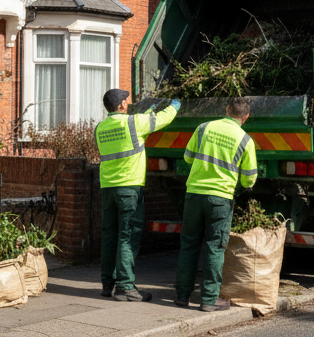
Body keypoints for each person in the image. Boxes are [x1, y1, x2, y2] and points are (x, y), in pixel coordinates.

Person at [95, 88, 179, 302]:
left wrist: (147, 113)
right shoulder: (133, 123)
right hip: (129, 188)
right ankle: (125, 286)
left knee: (110, 236)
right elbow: (162, 119)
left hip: (108, 188)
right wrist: (174, 106)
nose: (129, 103)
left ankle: (108, 284)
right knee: (127, 235)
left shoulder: (100, 127)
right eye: (127, 101)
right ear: (122, 105)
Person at [174, 97, 258, 311]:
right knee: (214, 248)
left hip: (193, 194)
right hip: (220, 199)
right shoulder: (245, 140)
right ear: (245, 117)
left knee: (189, 246)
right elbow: (249, 178)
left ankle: (182, 296)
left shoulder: (204, 128)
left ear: (226, 110)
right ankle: (209, 300)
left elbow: (187, 158)